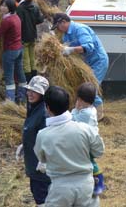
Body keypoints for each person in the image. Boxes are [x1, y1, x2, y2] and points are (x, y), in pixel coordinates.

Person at [34, 85, 104, 207]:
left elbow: (42, 158)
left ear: (48, 108)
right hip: (86, 185)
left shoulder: (43, 135)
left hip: (60, 189)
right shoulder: (85, 129)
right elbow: (99, 151)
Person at [51, 13, 109, 121]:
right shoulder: (66, 34)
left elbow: (89, 47)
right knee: (84, 86)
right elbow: (65, 45)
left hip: (98, 61)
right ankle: (88, 111)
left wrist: (71, 50)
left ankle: (99, 115)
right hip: (87, 62)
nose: (58, 29)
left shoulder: (80, 29)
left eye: (57, 26)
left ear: (63, 22)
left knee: (91, 88)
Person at [16, 76, 51, 207]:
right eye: (29, 90)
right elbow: (34, 133)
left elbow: (47, 138)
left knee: (43, 198)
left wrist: (44, 161)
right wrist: (24, 145)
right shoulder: (33, 108)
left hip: (41, 170)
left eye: (34, 91)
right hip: (33, 166)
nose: (30, 93)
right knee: (38, 195)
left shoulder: (43, 113)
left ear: (42, 94)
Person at [71, 82, 105, 196]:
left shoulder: (86, 113)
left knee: (90, 162)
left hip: (88, 143)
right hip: (87, 140)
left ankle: (99, 182)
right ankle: (89, 181)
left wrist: (75, 109)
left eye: (80, 100)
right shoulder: (90, 109)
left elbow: (72, 120)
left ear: (84, 100)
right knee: (87, 162)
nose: (78, 101)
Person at [12, 0, 44, 83]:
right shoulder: (34, 6)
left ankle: (28, 82)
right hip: (33, 36)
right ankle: (34, 78)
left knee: (25, 61)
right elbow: (40, 20)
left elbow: (18, 24)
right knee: (32, 59)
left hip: (23, 38)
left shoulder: (20, 9)